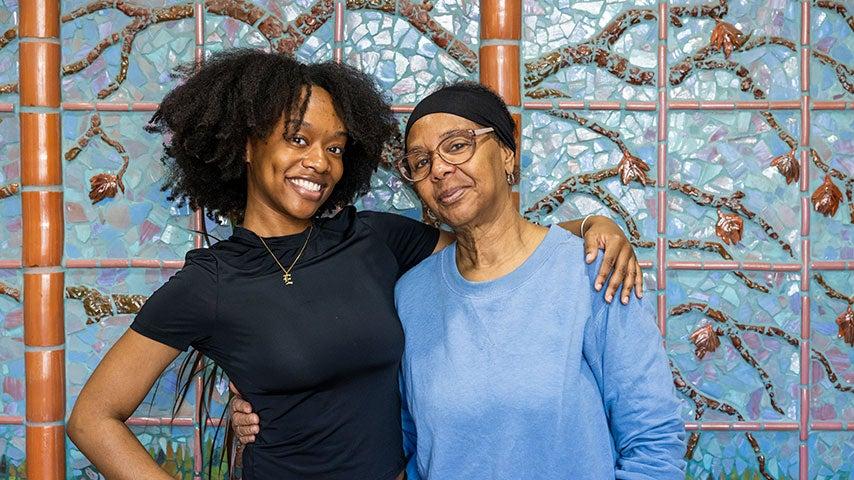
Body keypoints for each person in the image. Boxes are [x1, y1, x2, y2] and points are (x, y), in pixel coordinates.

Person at [67, 50, 643, 480]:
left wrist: (590, 228)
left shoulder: (374, 239)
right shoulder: (208, 284)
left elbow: (497, 246)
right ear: (248, 145)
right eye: (298, 139)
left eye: (336, 148)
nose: (319, 162)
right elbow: (93, 419)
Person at [232, 82, 685, 479]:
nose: (440, 169)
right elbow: (395, 430)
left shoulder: (592, 270)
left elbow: (653, 441)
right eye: (421, 160)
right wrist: (268, 404)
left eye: (457, 145)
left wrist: (591, 223)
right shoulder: (411, 293)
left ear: (507, 153)